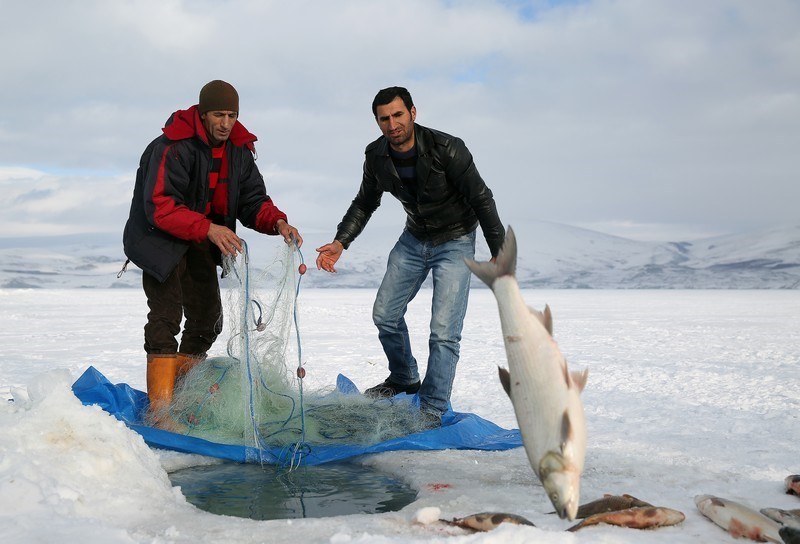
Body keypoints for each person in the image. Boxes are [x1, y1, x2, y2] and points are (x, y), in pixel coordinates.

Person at [315, 86, 504, 426]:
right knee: (385, 315)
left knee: (444, 332)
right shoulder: (376, 155)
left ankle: (432, 408)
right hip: (415, 237)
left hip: (455, 240)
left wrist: (499, 253)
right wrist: (341, 241)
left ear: (413, 113)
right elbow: (364, 201)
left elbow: (482, 199)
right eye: (384, 118)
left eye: (398, 115)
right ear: (377, 121)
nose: (392, 124)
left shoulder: (448, 148)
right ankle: (403, 378)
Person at [123, 80, 303, 427]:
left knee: (207, 321)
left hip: (203, 241)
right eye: (219, 114)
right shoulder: (171, 147)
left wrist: (278, 222)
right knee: (165, 319)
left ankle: (181, 395)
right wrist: (209, 228)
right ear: (203, 114)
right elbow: (159, 206)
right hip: (159, 240)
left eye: (232, 115)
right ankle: (160, 412)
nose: (225, 122)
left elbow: (253, 201)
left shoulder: (238, 151)